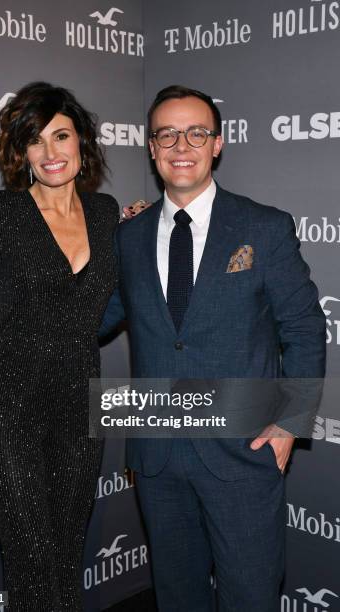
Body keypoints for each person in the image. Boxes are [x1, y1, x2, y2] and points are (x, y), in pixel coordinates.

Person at [100, 85, 326, 611]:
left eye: (197, 132)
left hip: (242, 452)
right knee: (177, 597)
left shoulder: (264, 227)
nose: (183, 144)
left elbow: (304, 330)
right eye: (167, 134)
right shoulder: (127, 237)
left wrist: (289, 424)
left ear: (217, 144)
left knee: (250, 595)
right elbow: (95, 320)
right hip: (155, 450)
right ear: (152, 148)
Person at [0, 81, 119, 611]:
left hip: (79, 412)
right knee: (30, 564)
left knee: (66, 558)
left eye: (61, 135)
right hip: (8, 411)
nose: (50, 152)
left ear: (81, 142)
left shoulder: (108, 213)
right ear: (20, 151)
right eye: (35, 140)